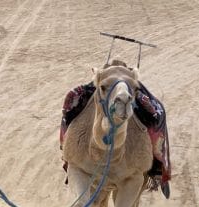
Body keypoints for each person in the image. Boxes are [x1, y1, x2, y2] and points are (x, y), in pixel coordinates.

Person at [60, 59, 171, 198]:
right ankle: (65, 149)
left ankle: (157, 163)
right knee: (70, 106)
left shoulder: (145, 102)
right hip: (103, 100)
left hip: (129, 154)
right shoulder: (80, 94)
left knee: (156, 114)